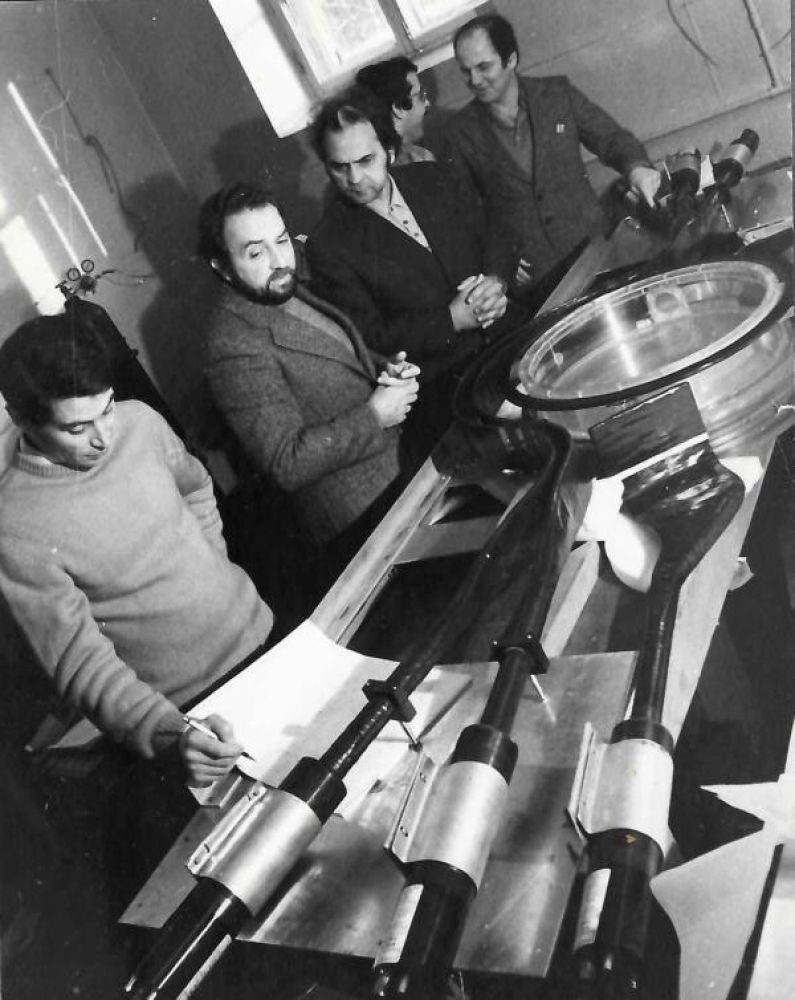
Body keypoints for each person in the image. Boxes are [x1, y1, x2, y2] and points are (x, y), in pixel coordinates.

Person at [0, 313, 274, 788]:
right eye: (76, 428)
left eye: (106, 409)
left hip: (267, 633)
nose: (104, 437)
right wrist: (171, 734)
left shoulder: (140, 421)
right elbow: (81, 667)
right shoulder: (13, 526)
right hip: (194, 713)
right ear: (22, 419)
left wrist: (213, 560)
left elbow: (196, 487)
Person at [198, 181, 419, 577]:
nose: (279, 259)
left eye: (282, 241)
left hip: (400, 468)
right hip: (361, 515)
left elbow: (336, 351)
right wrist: (375, 415)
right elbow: (286, 462)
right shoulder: (231, 343)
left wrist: (385, 369)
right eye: (255, 252)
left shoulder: (282, 284)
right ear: (222, 267)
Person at [305, 85, 525, 413]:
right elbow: (371, 338)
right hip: (450, 387)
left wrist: (497, 280)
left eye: (366, 160)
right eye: (339, 166)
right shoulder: (327, 245)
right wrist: (452, 320)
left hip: (514, 337)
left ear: (389, 151)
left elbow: (497, 232)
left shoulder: (433, 177)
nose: (354, 178)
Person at [445, 13, 662, 296]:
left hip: (598, 254)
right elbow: (467, 214)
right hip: (538, 282)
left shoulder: (557, 94)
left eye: (484, 67)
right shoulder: (459, 132)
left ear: (511, 59)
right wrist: (500, 263)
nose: (475, 80)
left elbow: (611, 138)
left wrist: (636, 168)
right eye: (465, 71)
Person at [356, 56, 435, 166]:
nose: (427, 103)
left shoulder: (421, 155)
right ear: (398, 108)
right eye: (421, 95)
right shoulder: (378, 167)